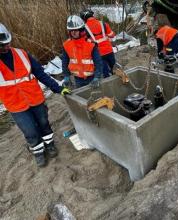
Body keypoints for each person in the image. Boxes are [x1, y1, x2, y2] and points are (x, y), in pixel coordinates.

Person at [0, 23, 71, 167]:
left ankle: (49, 145)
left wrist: (58, 88)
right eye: (3, 45)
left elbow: (41, 74)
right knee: (30, 130)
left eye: (8, 43)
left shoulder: (22, 54)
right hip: (16, 105)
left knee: (44, 123)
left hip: (35, 98)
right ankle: (38, 151)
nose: (7, 47)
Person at [62, 15, 103, 88]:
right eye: (71, 31)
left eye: (76, 30)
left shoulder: (91, 44)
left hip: (92, 78)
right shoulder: (66, 45)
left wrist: (97, 77)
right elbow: (64, 62)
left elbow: (98, 62)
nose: (73, 33)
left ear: (81, 30)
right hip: (78, 79)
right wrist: (66, 76)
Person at [80, 9, 117, 78]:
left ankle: (110, 84)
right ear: (92, 15)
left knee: (105, 73)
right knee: (115, 69)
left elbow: (84, 42)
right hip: (109, 50)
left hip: (98, 54)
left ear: (84, 18)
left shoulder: (84, 28)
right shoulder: (103, 23)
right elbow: (112, 35)